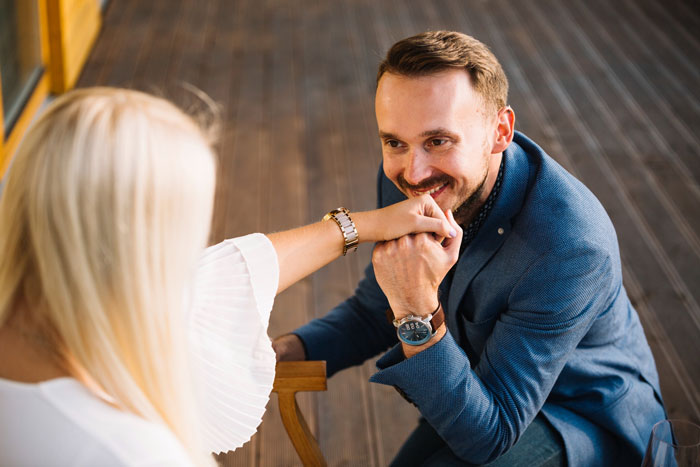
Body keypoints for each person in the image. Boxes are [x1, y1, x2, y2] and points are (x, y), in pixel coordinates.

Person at [0, 87, 459, 466]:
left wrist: (366, 224)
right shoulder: (129, 453)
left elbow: (224, 275)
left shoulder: (52, 312)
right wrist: (418, 307)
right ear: (143, 248)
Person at [273, 31, 666, 466]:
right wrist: (292, 351)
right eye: (395, 142)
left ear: (500, 132)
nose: (414, 173)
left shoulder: (570, 247)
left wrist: (415, 310)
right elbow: (374, 308)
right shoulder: (406, 178)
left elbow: (490, 437)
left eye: (438, 141)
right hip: (474, 383)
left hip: (580, 417)